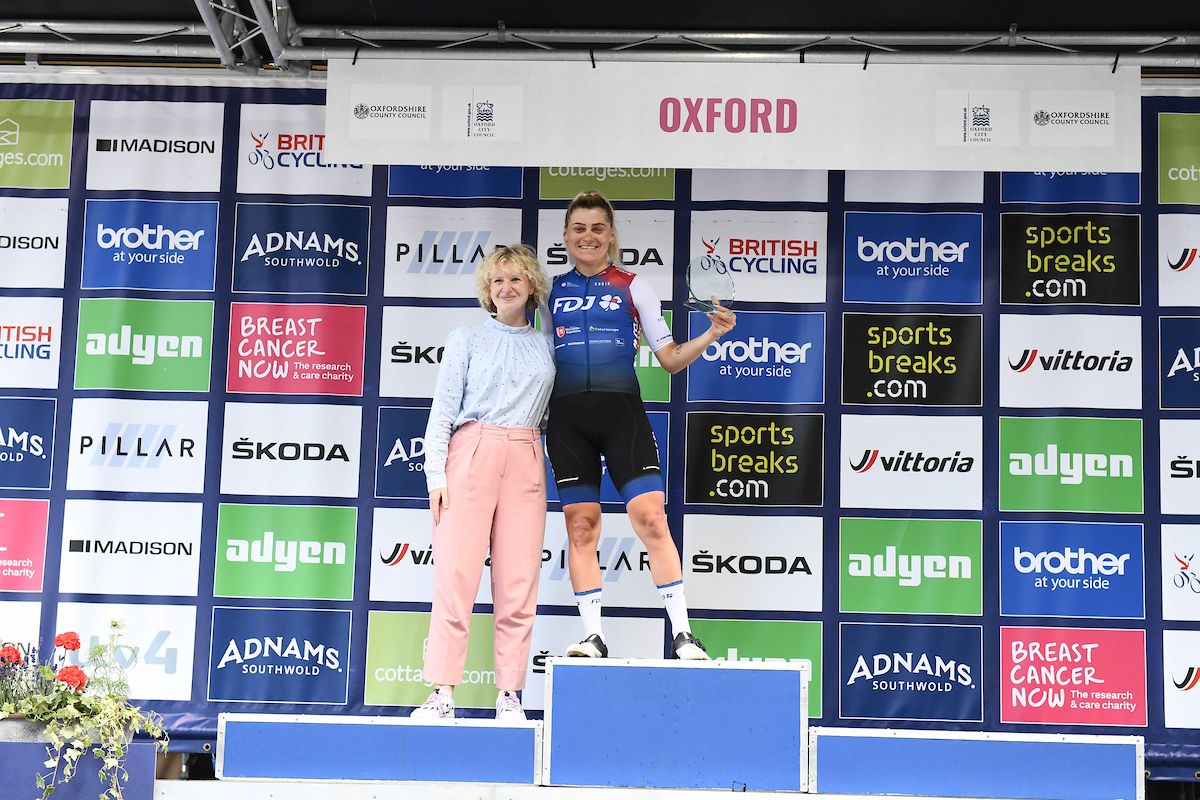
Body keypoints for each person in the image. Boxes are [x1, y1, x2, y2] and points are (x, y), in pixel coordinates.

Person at [546, 190, 736, 660]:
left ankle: (683, 633)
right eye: (579, 228)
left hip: (622, 415)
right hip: (568, 421)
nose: (588, 236)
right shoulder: (548, 291)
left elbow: (670, 360)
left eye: (597, 228)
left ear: (611, 236)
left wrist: (712, 333)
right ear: (566, 237)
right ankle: (593, 636)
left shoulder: (635, 286)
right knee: (581, 528)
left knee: (652, 519)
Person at [410, 244, 555, 721]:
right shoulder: (465, 338)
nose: (507, 288)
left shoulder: (547, 343)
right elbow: (443, 411)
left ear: (532, 285)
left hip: (528, 453)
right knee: (455, 577)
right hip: (470, 452)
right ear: (487, 291)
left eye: (516, 278)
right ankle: (442, 692)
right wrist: (436, 474)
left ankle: (510, 694)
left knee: (518, 583)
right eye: (497, 281)